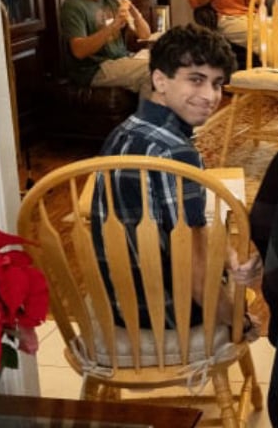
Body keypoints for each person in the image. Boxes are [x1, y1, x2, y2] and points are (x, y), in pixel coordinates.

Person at [92, 24, 262, 334]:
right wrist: (241, 322)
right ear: (159, 79)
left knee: (214, 234)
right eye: (195, 80)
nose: (210, 96)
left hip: (116, 299)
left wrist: (228, 257)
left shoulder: (125, 130)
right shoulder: (176, 154)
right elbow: (196, 278)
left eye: (217, 83)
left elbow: (184, 231)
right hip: (161, 312)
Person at [59, 0, 152, 98]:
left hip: (121, 59)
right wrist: (114, 26)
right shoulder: (73, 6)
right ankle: (148, 120)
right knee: (152, 70)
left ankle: (153, 118)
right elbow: (79, 51)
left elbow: (145, 34)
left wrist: (133, 11)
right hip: (95, 69)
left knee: (168, 61)